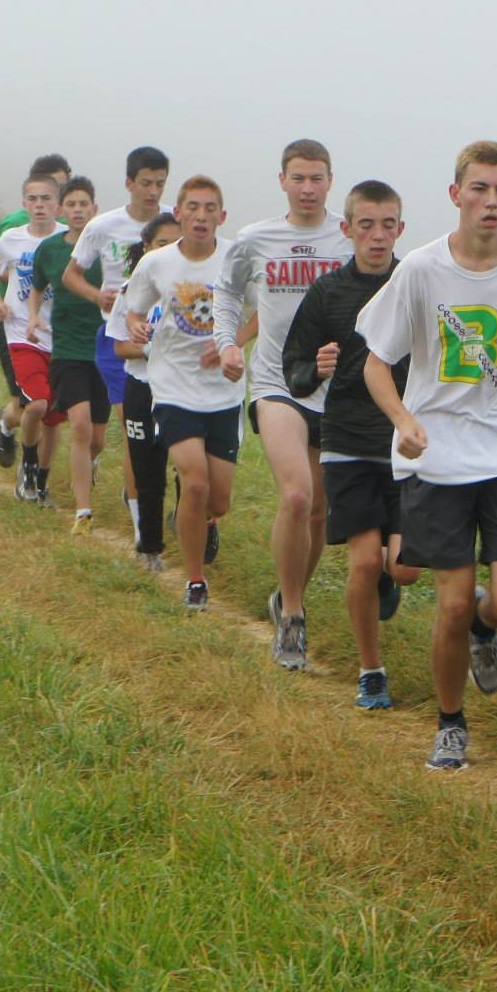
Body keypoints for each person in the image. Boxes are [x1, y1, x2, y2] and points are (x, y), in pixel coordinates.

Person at [359, 141, 497, 771]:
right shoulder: (419, 269)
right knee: (447, 601)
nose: (491, 201)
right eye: (479, 189)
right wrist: (403, 420)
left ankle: (485, 627)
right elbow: (376, 364)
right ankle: (450, 724)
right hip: (439, 455)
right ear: (456, 196)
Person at [213, 139, 352, 662]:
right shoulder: (255, 239)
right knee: (295, 496)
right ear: (282, 181)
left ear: (330, 181)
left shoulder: (348, 237)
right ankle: (292, 614)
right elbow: (225, 293)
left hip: (334, 392)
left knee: (318, 512)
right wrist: (228, 343)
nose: (308, 188)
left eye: (317, 178)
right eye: (299, 178)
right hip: (275, 385)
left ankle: (286, 594)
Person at [283, 179, 423, 696]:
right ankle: (371, 672)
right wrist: (313, 373)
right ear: (346, 229)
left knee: (405, 569)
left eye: (388, 225)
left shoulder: (417, 283)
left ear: (401, 229)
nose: (378, 236)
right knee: (364, 560)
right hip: (346, 441)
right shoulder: (327, 293)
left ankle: (399, 579)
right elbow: (292, 365)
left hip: (406, 443)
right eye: (366, 225)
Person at [124, 176, 247, 610]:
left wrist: (232, 343)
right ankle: (196, 581)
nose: (201, 215)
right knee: (193, 482)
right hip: (173, 385)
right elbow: (133, 311)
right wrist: (138, 326)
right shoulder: (157, 263)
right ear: (178, 213)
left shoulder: (236, 258)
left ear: (222, 216)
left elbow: (260, 313)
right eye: (192, 207)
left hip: (224, 392)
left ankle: (204, 519)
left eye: (210, 208)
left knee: (219, 498)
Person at [64, 147, 171, 539]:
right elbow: (70, 275)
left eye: (160, 183)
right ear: (129, 183)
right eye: (145, 183)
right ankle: (143, 519)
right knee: (133, 423)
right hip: (118, 337)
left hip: (171, 340)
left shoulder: (173, 222)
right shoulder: (103, 226)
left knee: (170, 430)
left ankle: (157, 496)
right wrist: (98, 297)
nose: (153, 191)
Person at [30, 176, 109, 533]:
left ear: (95, 209)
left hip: (106, 350)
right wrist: (33, 317)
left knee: (96, 439)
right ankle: (83, 511)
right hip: (68, 350)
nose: (78, 210)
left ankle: (89, 464)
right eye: (72, 205)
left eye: (84, 204)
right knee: (78, 425)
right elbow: (36, 287)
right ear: (63, 210)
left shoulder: (110, 247)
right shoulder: (50, 249)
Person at [0, 155, 72, 465]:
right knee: (34, 404)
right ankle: (29, 465)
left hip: (58, 334)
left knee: (51, 413)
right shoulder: (12, 236)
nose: (39, 205)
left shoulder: (70, 238)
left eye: (47, 198)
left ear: (58, 202)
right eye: (33, 199)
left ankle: (11, 430)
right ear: (24, 202)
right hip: (19, 332)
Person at [113, 213, 183, 572]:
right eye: (161, 243)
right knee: (147, 470)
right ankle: (149, 546)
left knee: (191, 466)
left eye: (176, 242)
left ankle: (197, 523)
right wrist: (153, 350)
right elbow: (120, 348)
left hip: (185, 389)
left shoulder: (195, 289)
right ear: (146, 248)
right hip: (141, 387)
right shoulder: (131, 292)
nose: (169, 250)